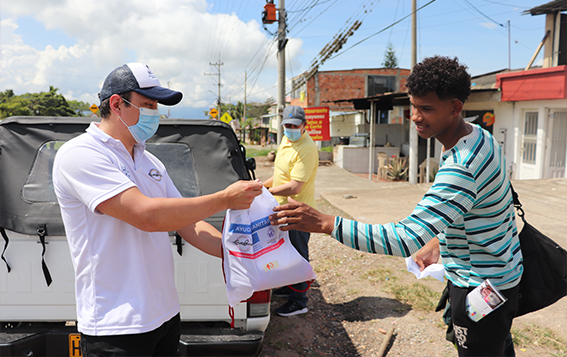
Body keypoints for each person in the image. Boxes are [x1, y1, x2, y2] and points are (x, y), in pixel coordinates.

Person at [269, 56, 523, 356]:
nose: (415, 116)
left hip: (480, 286)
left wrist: (328, 224)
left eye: (426, 108)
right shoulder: (480, 137)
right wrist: (438, 242)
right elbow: (473, 209)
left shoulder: (461, 166)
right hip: (503, 274)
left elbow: (404, 238)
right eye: (413, 106)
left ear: (456, 107)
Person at [52, 63, 263, 357]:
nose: (156, 114)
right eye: (148, 105)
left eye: (157, 106)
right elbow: (147, 216)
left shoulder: (150, 162)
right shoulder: (81, 154)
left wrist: (246, 252)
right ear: (117, 104)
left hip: (164, 315)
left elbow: (190, 224)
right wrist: (225, 199)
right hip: (118, 325)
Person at [263, 106, 318, 317]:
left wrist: (267, 191)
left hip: (298, 212)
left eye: (295, 125)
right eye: (287, 125)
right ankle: (289, 286)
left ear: (304, 126)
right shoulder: (286, 141)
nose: (291, 129)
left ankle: (299, 301)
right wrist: (262, 185)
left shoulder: (306, 148)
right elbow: (279, 175)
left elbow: (295, 186)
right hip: (283, 208)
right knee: (285, 252)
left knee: (298, 255)